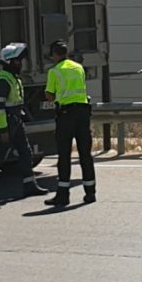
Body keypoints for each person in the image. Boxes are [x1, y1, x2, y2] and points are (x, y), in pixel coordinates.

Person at [0, 42, 50, 201]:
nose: (20, 64)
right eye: (17, 61)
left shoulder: (12, 77)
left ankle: (29, 185)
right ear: (9, 62)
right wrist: (3, 130)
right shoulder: (3, 80)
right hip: (8, 122)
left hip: (15, 120)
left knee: (25, 152)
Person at [44, 39, 96, 206]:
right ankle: (90, 192)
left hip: (66, 115)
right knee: (85, 155)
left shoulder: (54, 71)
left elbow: (50, 95)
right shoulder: (79, 67)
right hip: (83, 113)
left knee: (64, 155)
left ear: (54, 55)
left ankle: (63, 195)